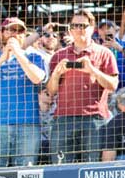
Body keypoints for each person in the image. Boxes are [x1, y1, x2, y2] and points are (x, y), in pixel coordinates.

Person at [47, 9, 119, 162]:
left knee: (92, 169)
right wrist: (57, 74)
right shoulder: (58, 55)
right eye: (75, 25)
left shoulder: (104, 53)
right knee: (60, 168)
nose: (79, 29)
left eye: (83, 25)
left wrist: (93, 71)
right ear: (70, 29)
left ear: (92, 28)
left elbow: (113, 85)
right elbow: (51, 91)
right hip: (63, 118)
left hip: (94, 118)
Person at [0, 18, 46, 167]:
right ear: (2, 33)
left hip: (28, 123)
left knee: (26, 170)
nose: (15, 34)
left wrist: (19, 54)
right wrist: (2, 58)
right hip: (0, 124)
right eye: (11, 30)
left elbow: (38, 78)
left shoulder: (35, 56)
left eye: (20, 31)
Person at [96, 19, 125, 90]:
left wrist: (120, 48)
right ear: (99, 33)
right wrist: (101, 51)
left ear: (115, 30)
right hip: (106, 88)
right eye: (102, 29)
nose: (106, 31)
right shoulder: (97, 49)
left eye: (108, 28)